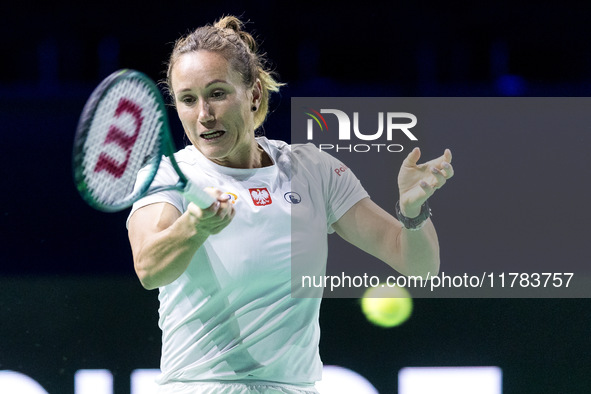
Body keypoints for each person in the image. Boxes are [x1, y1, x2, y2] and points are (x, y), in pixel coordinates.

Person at [127, 15, 454, 394]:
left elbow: (419, 265)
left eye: (217, 93)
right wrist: (193, 227)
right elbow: (149, 268)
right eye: (188, 100)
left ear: (253, 94)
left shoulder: (311, 170)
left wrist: (412, 214)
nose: (203, 115)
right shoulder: (168, 175)